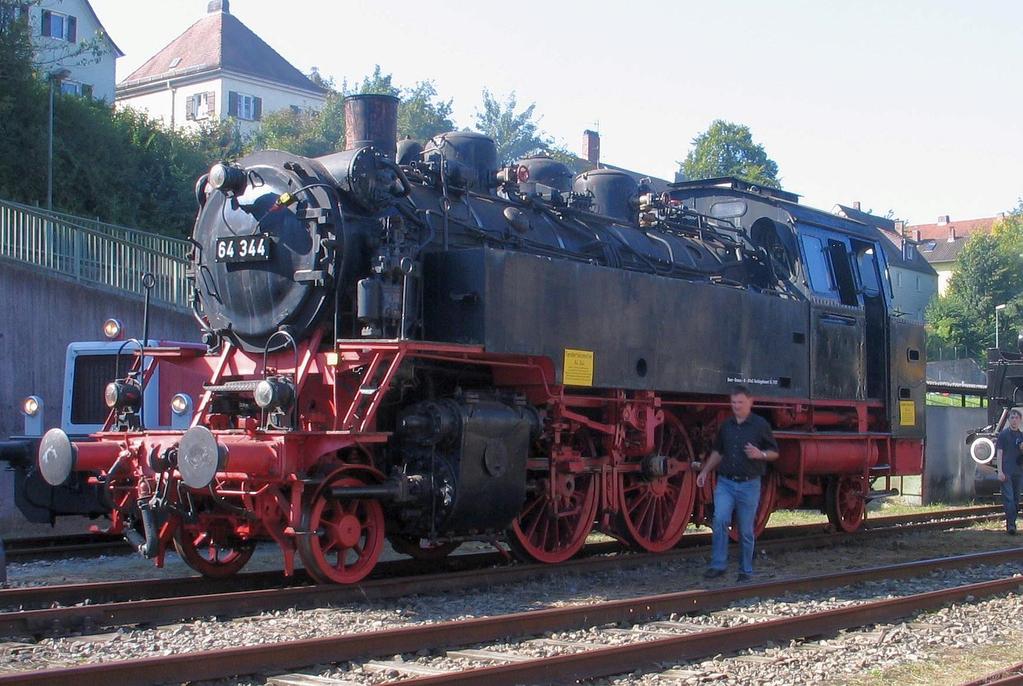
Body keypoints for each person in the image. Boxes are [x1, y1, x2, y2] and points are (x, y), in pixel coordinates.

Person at [697, 385, 779, 582]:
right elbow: (718, 452)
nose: (736, 406)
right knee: (720, 520)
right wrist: (706, 471)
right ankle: (718, 565)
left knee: (746, 529)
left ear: (750, 402)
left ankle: (746, 569)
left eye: (740, 402)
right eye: (733, 403)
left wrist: (761, 454)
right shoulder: (726, 426)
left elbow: (774, 452)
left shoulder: (760, 425)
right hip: (726, 482)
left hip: (749, 484)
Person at [995, 408, 1023, 535]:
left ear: (1020, 420)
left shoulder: (1021, 436)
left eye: (1016, 418)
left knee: (1016, 499)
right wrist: (999, 471)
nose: (1014, 420)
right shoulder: (1003, 435)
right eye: (1012, 417)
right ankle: (1011, 525)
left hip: (1019, 471)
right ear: (1008, 420)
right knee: (1009, 498)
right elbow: (999, 453)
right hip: (1006, 471)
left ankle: (1012, 521)